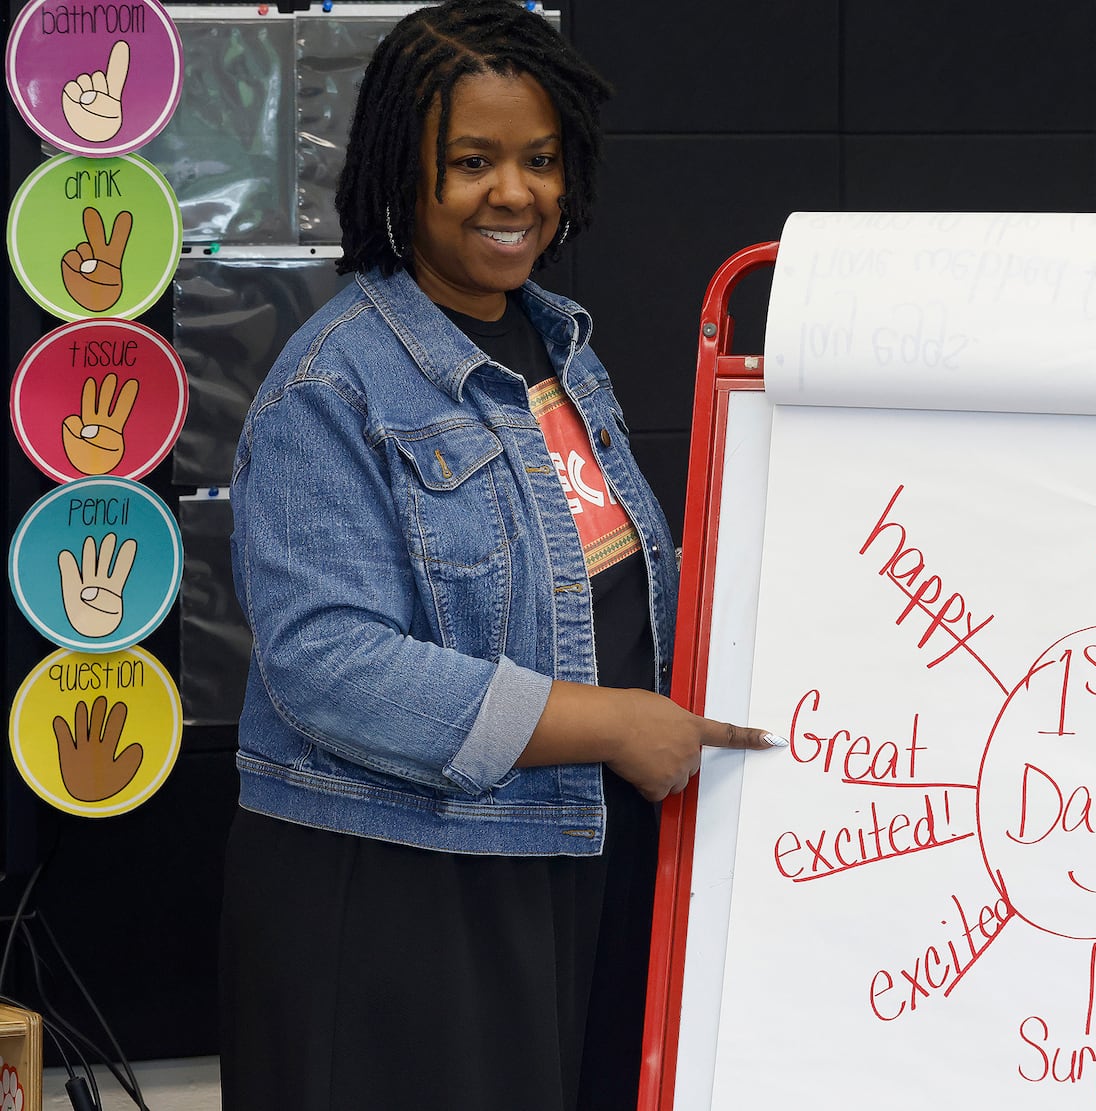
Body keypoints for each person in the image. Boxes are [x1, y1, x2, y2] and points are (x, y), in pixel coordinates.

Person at [217, 3, 779, 1107]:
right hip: (401, 889)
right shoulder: (330, 384)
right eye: (471, 162)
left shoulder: (561, 346)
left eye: (539, 160)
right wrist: (613, 722)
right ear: (398, 171)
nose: (512, 193)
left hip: (570, 858)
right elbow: (330, 666)